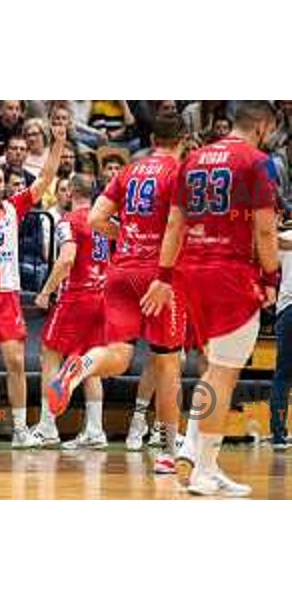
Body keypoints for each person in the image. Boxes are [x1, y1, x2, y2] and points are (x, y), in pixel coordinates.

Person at [141, 101, 279, 496]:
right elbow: (266, 233)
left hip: (190, 274)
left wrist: (164, 276)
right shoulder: (257, 162)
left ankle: (202, 459)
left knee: (213, 368)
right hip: (230, 275)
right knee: (223, 373)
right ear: (264, 126)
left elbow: (174, 223)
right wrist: (271, 277)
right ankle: (201, 469)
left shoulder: (195, 158)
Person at [46, 114, 187, 475]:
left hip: (120, 270)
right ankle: (170, 452)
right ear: (183, 139)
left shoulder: (129, 171)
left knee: (119, 355)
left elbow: (95, 219)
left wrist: (123, 237)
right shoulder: (179, 171)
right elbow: (174, 224)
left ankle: (79, 368)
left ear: (153, 137)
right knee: (168, 363)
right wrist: (165, 273)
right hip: (158, 273)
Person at [0, 125, 67, 449]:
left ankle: (21, 429)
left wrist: (59, 141)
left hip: (7, 293)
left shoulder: (13, 207)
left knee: (17, 361)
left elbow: (46, 179)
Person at [30, 174, 109, 449]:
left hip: (76, 297)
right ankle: (96, 431)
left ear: (71, 193)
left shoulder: (70, 221)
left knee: (49, 357)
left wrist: (45, 292)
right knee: (89, 364)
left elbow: (67, 260)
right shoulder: (103, 223)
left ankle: (47, 427)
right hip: (102, 297)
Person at [269, 226, 292, 451]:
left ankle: (278, 436)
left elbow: (268, 263)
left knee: (283, 375)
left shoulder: (283, 237)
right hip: (287, 308)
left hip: (288, 310)